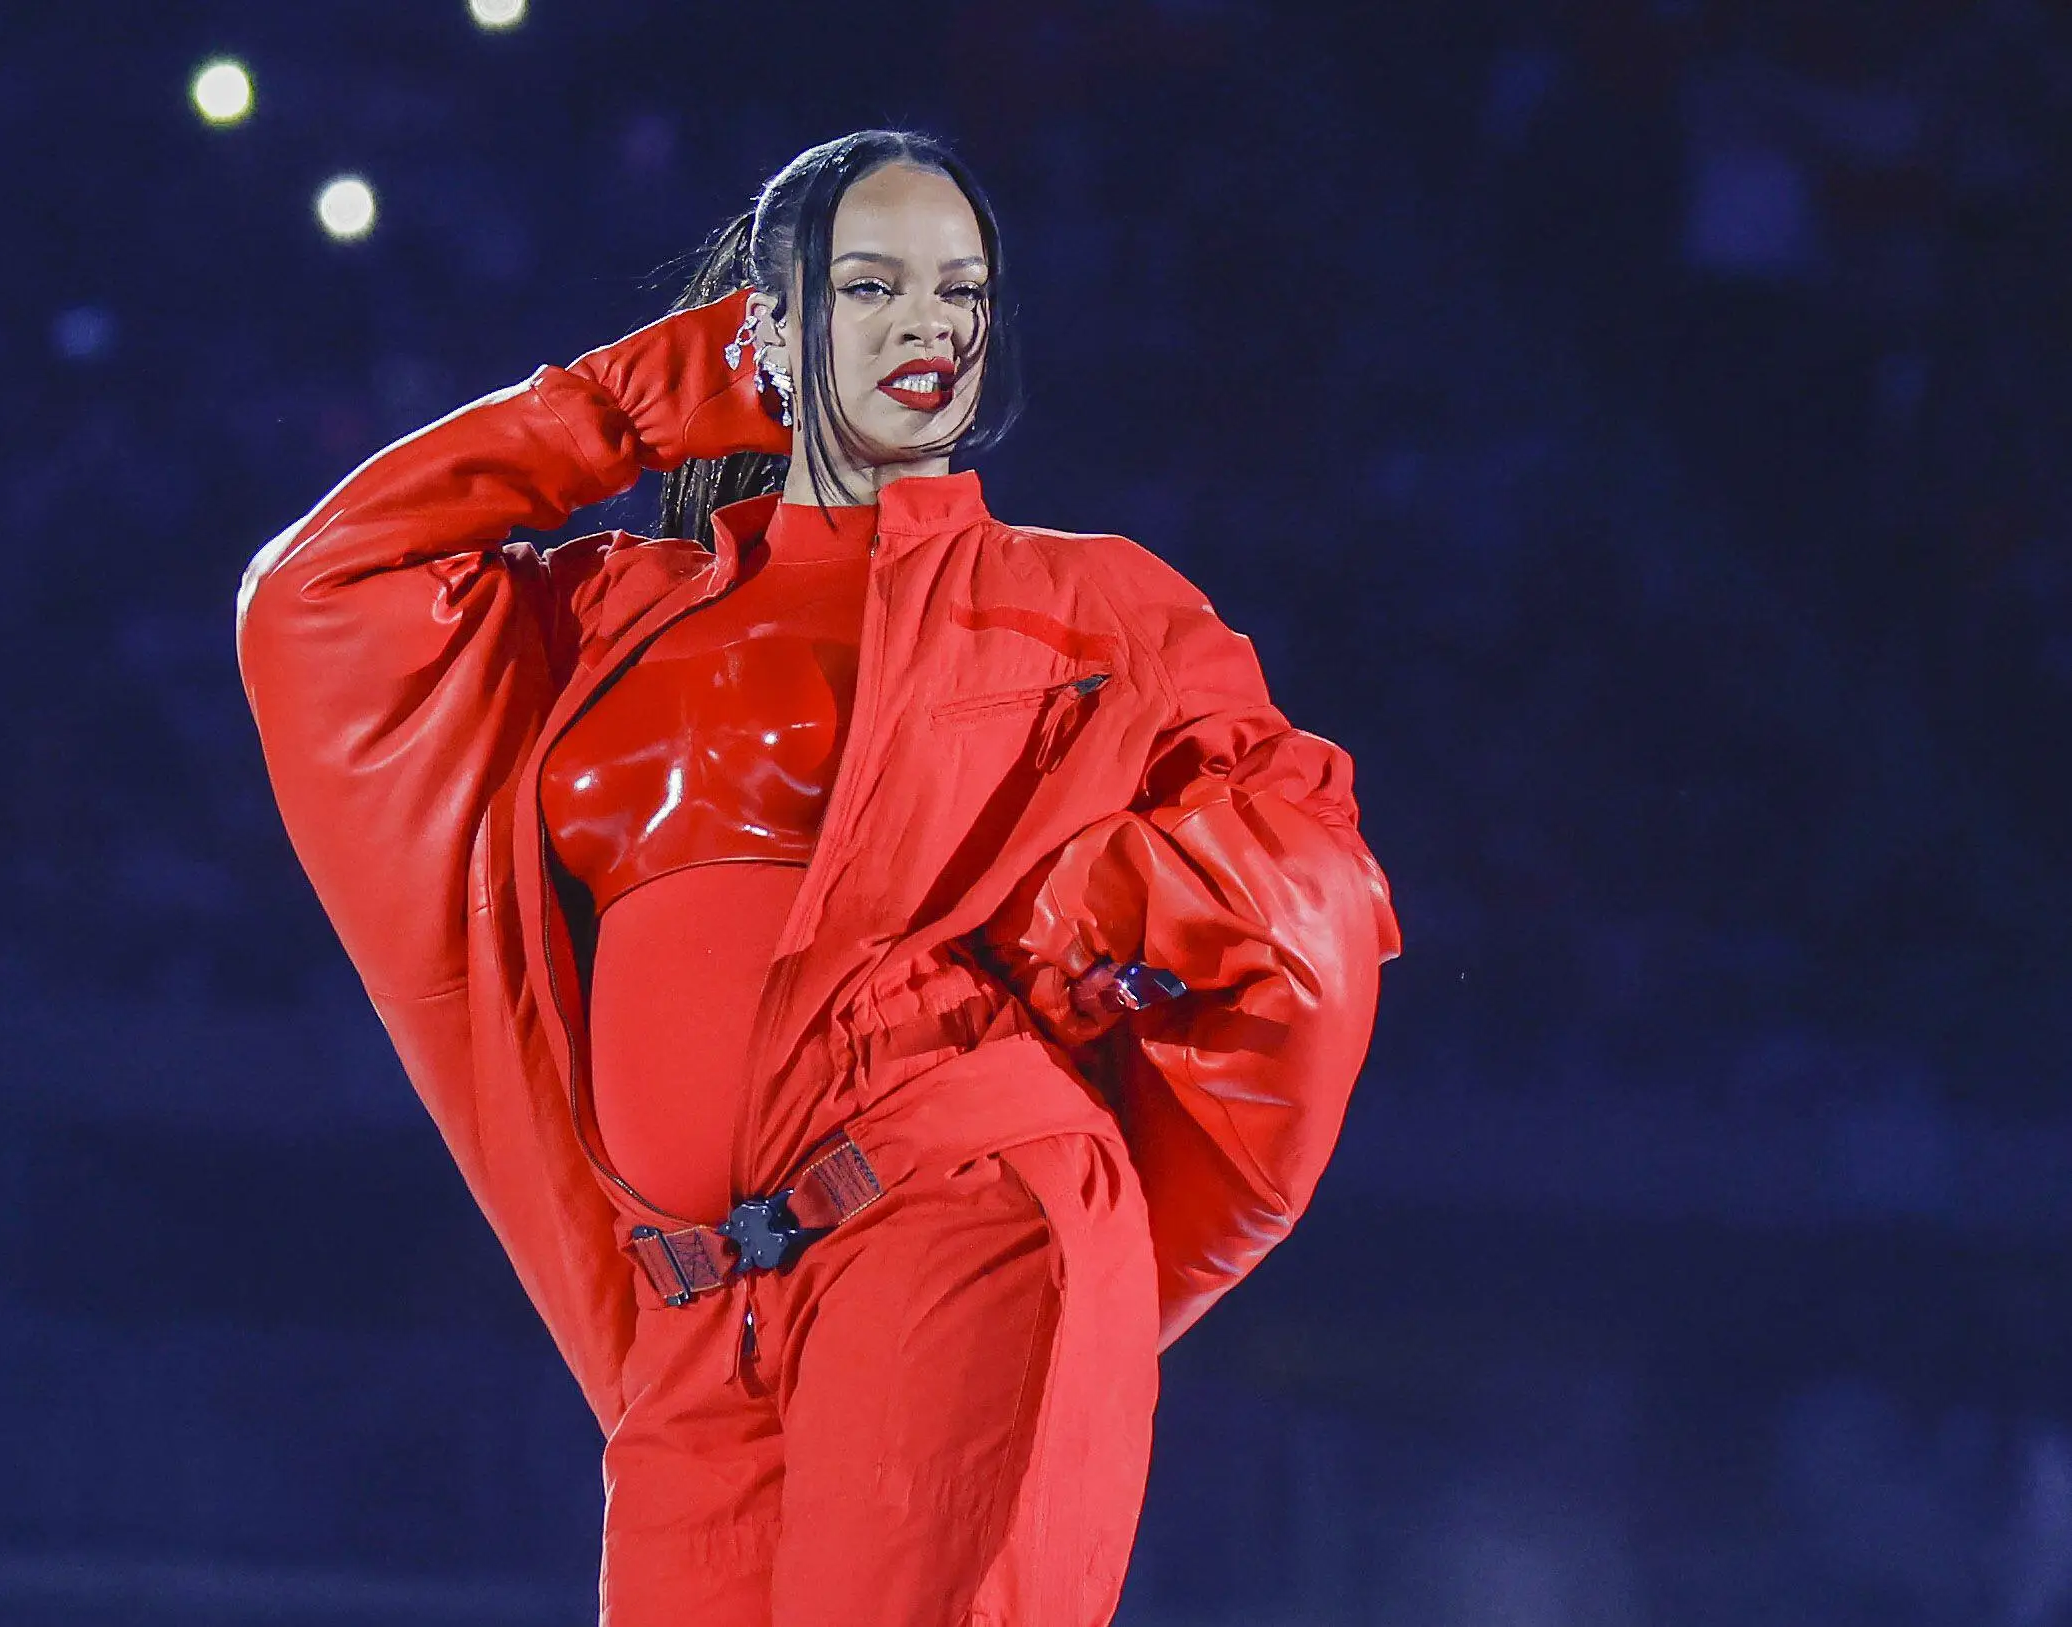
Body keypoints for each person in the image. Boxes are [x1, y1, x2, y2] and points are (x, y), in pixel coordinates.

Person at [237, 129, 1399, 1627]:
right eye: (873, 285)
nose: (932, 325)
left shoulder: (1091, 600)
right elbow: (320, 593)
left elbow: (1314, 877)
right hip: (697, 1309)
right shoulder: (605, 613)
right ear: (767, 329)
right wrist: (631, 407)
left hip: (956, 1220)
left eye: (963, 290)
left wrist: (1111, 893)